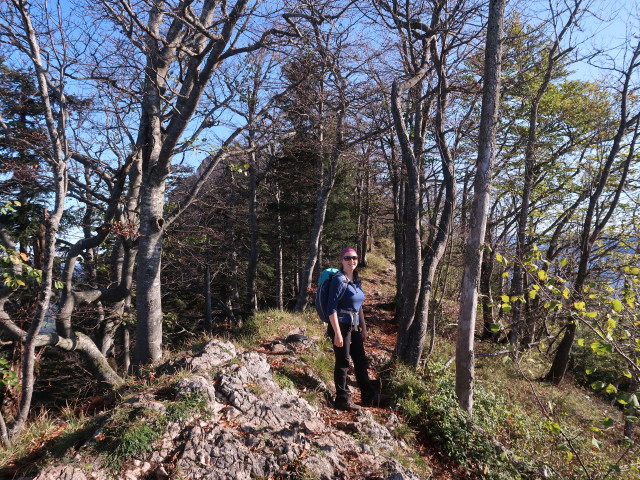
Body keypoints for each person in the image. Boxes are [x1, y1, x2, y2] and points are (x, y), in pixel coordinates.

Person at [326, 247, 383, 411]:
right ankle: (342, 398)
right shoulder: (338, 280)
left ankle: (368, 395)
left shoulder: (356, 279)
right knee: (343, 361)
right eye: (348, 258)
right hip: (341, 325)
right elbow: (331, 308)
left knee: (360, 360)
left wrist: (363, 327)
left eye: (354, 258)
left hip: (354, 326)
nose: (351, 261)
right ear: (342, 260)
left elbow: (359, 306)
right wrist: (337, 333)